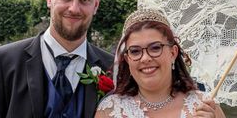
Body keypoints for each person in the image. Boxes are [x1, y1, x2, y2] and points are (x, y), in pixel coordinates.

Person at [95, 9, 226, 118]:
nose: (145, 58)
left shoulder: (206, 106)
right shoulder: (109, 110)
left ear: (173, 53)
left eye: (155, 48)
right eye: (135, 51)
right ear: (128, 59)